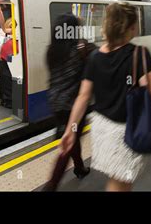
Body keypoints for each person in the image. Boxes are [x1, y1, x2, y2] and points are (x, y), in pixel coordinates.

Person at [59, 3, 151, 192]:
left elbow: (83, 97)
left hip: (101, 129)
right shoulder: (139, 54)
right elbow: (150, 94)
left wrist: (70, 130)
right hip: (125, 131)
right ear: (132, 28)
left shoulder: (94, 57)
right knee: (120, 184)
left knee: (118, 180)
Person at [43, 14, 96, 191]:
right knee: (68, 142)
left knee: (71, 137)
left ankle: (80, 167)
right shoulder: (82, 49)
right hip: (73, 106)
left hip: (55, 103)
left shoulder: (52, 50)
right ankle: (51, 185)